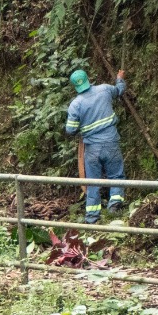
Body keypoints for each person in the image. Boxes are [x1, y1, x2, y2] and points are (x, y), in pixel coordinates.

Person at [64, 68, 128, 224]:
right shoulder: (104, 90)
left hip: (92, 148)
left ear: (75, 86)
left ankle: (92, 217)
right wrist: (120, 78)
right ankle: (114, 206)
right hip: (111, 142)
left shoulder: (75, 104)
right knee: (116, 175)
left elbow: (70, 129)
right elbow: (119, 90)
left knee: (93, 181)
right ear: (88, 78)